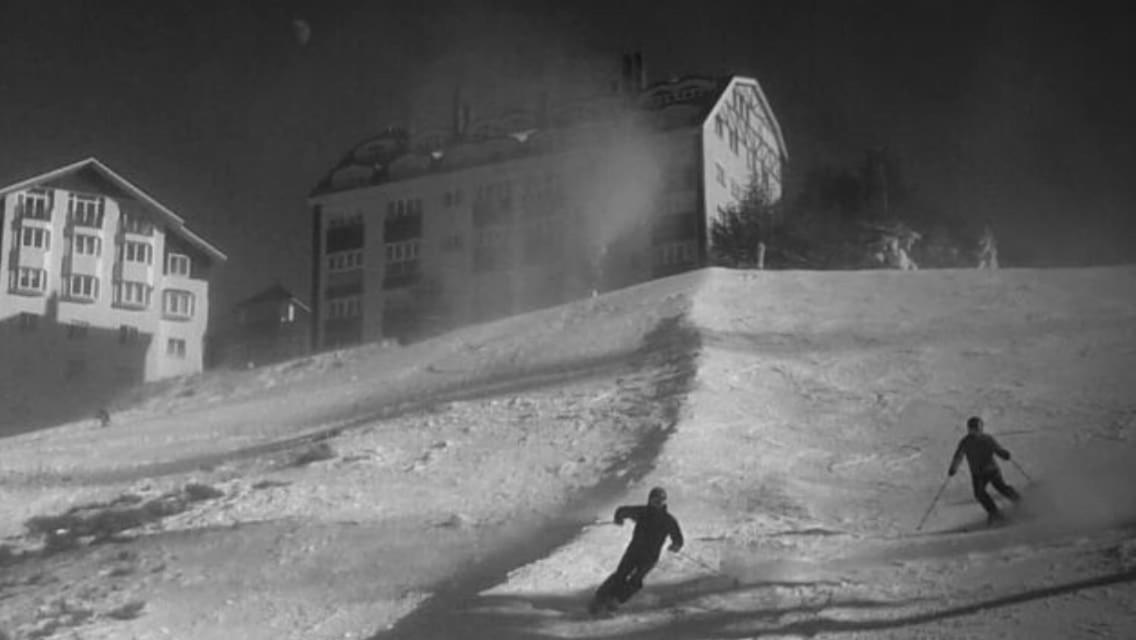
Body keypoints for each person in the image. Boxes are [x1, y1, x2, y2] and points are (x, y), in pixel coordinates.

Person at [589, 487, 684, 615]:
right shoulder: (642, 512)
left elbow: (677, 537)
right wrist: (619, 519)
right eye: (655, 499)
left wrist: (676, 545)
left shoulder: (668, 520)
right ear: (650, 500)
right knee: (621, 574)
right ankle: (600, 597)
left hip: (650, 556)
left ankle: (616, 600)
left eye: (661, 500)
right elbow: (622, 510)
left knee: (636, 579)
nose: (658, 503)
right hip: (634, 550)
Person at [948, 416, 1021, 525]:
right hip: (977, 473)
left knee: (1001, 487)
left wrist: (1004, 454)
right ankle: (994, 513)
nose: (976, 431)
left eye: (978, 429)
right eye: (973, 429)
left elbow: (997, 449)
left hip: (991, 470)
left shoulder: (987, 439)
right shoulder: (966, 442)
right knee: (979, 494)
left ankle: (1019, 501)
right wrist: (954, 468)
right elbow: (959, 455)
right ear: (969, 429)